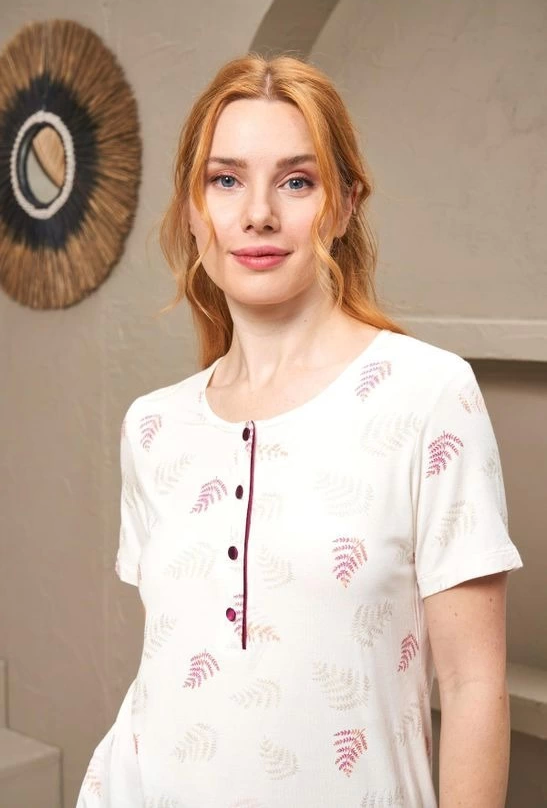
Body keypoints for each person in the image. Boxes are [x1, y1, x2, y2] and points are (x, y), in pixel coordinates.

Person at [76, 53, 523, 807]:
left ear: (345, 204)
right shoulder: (152, 428)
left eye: (295, 181)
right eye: (225, 180)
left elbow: (472, 683)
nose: (257, 214)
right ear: (192, 210)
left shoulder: (428, 397)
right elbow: (177, 674)